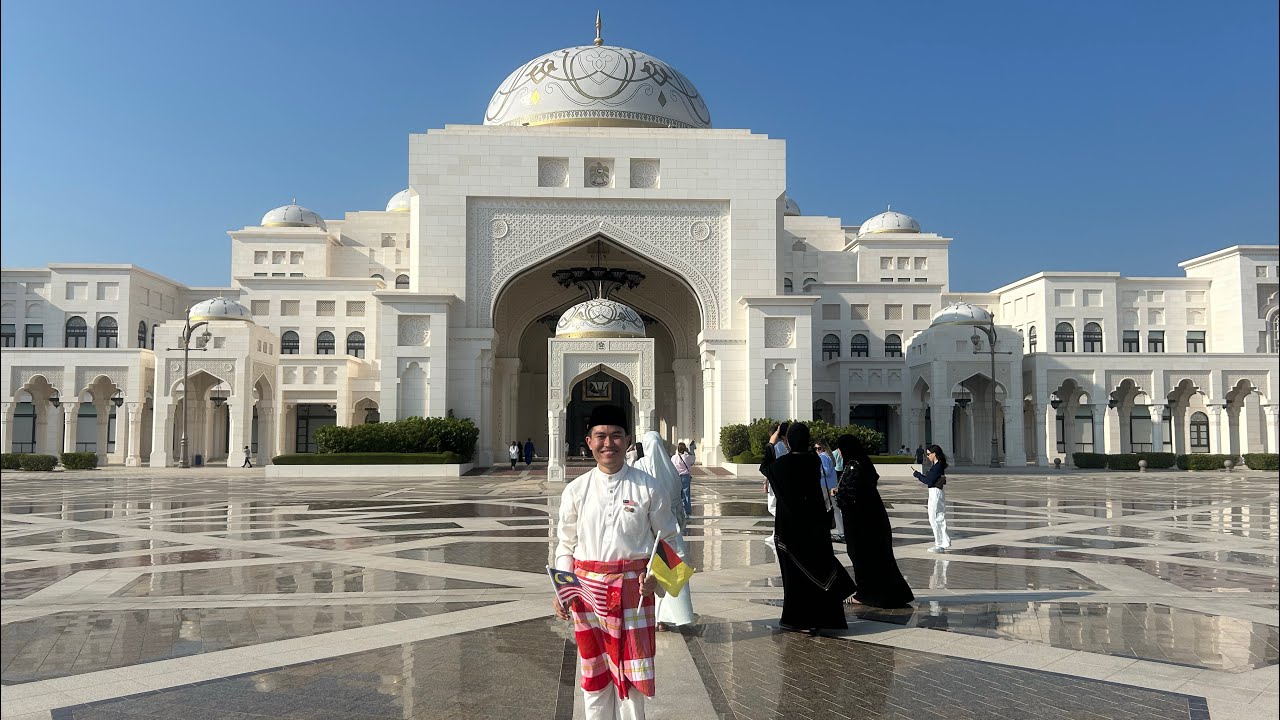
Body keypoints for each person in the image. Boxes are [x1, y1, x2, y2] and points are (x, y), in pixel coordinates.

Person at [554, 405, 681, 719]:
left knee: (632, 679)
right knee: (595, 679)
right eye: (600, 436)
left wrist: (657, 579)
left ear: (628, 441)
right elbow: (565, 545)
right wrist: (562, 590)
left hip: (632, 594)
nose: (608, 443)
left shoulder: (649, 487)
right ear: (588, 441)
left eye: (615, 436)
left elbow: (670, 540)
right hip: (587, 594)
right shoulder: (575, 490)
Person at [759, 422, 856, 634]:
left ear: (788, 441)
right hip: (815, 526)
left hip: (791, 530)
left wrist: (771, 442)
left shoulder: (782, 465)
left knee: (795, 578)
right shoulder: (814, 461)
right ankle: (826, 618)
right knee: (820, 568)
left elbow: (765, 466)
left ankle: (797, 619)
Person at [834, 434, 915, 608]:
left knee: (861, 557)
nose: (839, 453)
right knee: (880, 558)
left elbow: (846, 497)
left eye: (840, 448)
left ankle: (865, 594)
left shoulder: (853, 466)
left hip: (859, 523)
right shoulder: (864, 464)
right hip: (874, 520)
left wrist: (836, 493)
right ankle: (893, 593)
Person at [637, 431, 695, 631]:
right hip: (670, 531)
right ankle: (665, 618)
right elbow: (678, 504)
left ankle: (654, 617)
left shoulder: (640, 467)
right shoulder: (671, 469)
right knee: (665, 573)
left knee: (651, 573)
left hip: (649, 531)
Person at [913, 444, 951, 553]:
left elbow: (928, 481)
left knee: (934, 518)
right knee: (938, 517)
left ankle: (939, 543)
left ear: (934, 454)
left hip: (935, 492)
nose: (928, 456)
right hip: (935, 492)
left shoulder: (938, 466)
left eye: (929, 454)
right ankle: (943, 541)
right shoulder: (936, 465)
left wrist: (918, 475)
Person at [759, 422, 790, 551]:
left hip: (776, 482)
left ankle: (778, 533)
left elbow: (769, 464)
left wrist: (767, 480)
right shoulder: (784, 446)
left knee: (774, 507)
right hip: (781, 481)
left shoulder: (777, 446)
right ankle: (776, 533)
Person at [814, 440, 840, 540]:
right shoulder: (829, 456)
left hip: (825, 485)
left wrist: (815, 472)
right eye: (815, 449)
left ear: (823, 448)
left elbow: (826, 471)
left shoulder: (823, 457)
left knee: (822, 508)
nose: (817, 451)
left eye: (819, 448)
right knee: (835, 509)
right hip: (831, 485)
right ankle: (841, 531)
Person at [670, 442, 695, 519]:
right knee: (686, 494)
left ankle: (678, 511)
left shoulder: (674, 458)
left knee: (678, 495)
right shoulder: (686, 457)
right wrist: (689, 451)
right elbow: (693, 460)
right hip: (685, 476)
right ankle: (687, 511)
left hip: (676, 476)